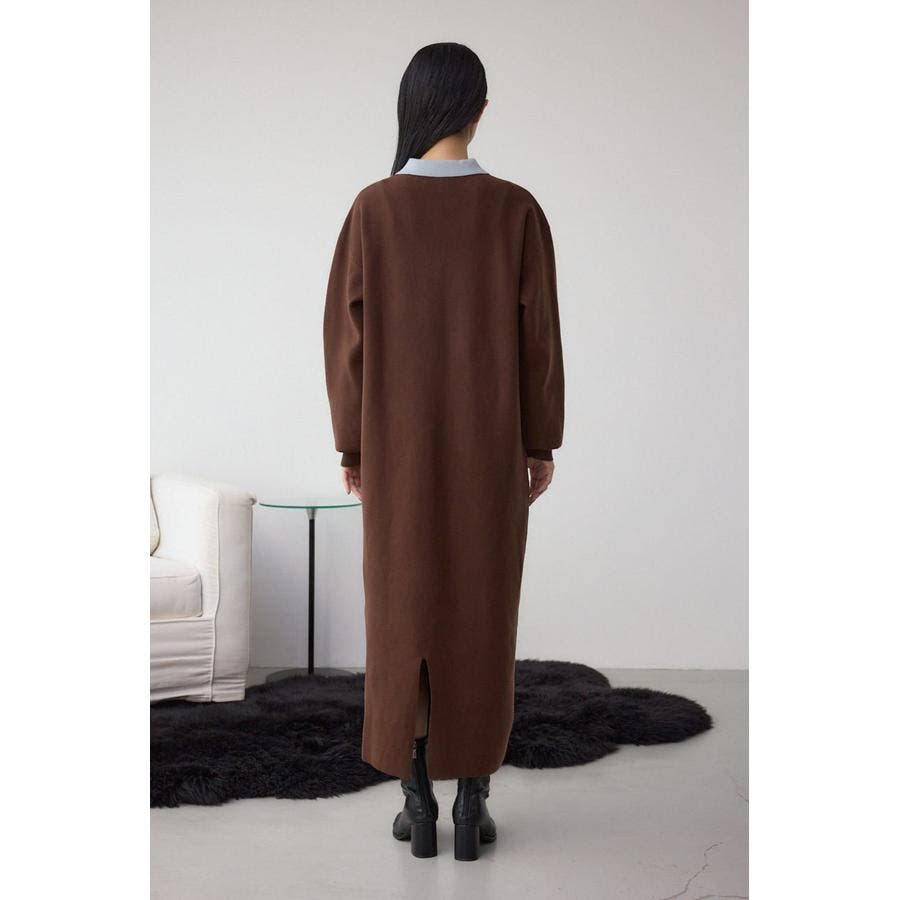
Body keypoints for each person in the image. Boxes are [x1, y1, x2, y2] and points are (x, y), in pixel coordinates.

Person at [323, 42, 564, 861]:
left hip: (396, 454)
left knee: (404, 616)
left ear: (412, 109)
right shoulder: (516, 210)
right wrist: (539, 440)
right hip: (490, 452)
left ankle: (416, 800)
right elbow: (539, 340)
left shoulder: (373, 209)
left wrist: (353, 445)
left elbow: (346, 343)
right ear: (480, 109)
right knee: (480, 616)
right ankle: (473, 802)